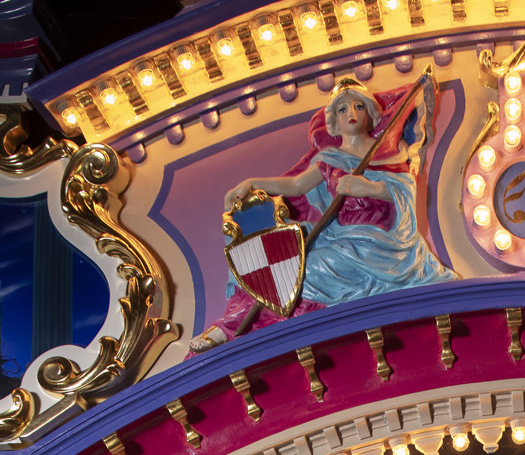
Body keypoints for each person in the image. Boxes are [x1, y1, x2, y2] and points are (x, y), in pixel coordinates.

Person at [191, 75, 452, 353]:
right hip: (341, 237)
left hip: (379, 245)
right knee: (276, 256)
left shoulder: (388, 154)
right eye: (342, 109)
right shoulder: (330, 159)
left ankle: (247, 327)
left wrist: (371, 188)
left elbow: (405, 191)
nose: (351, 114)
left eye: (358, 107)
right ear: (334, 121)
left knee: (302, 272)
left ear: (371, 114)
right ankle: (228, 327)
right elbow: (295, 185)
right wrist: (254, 183)